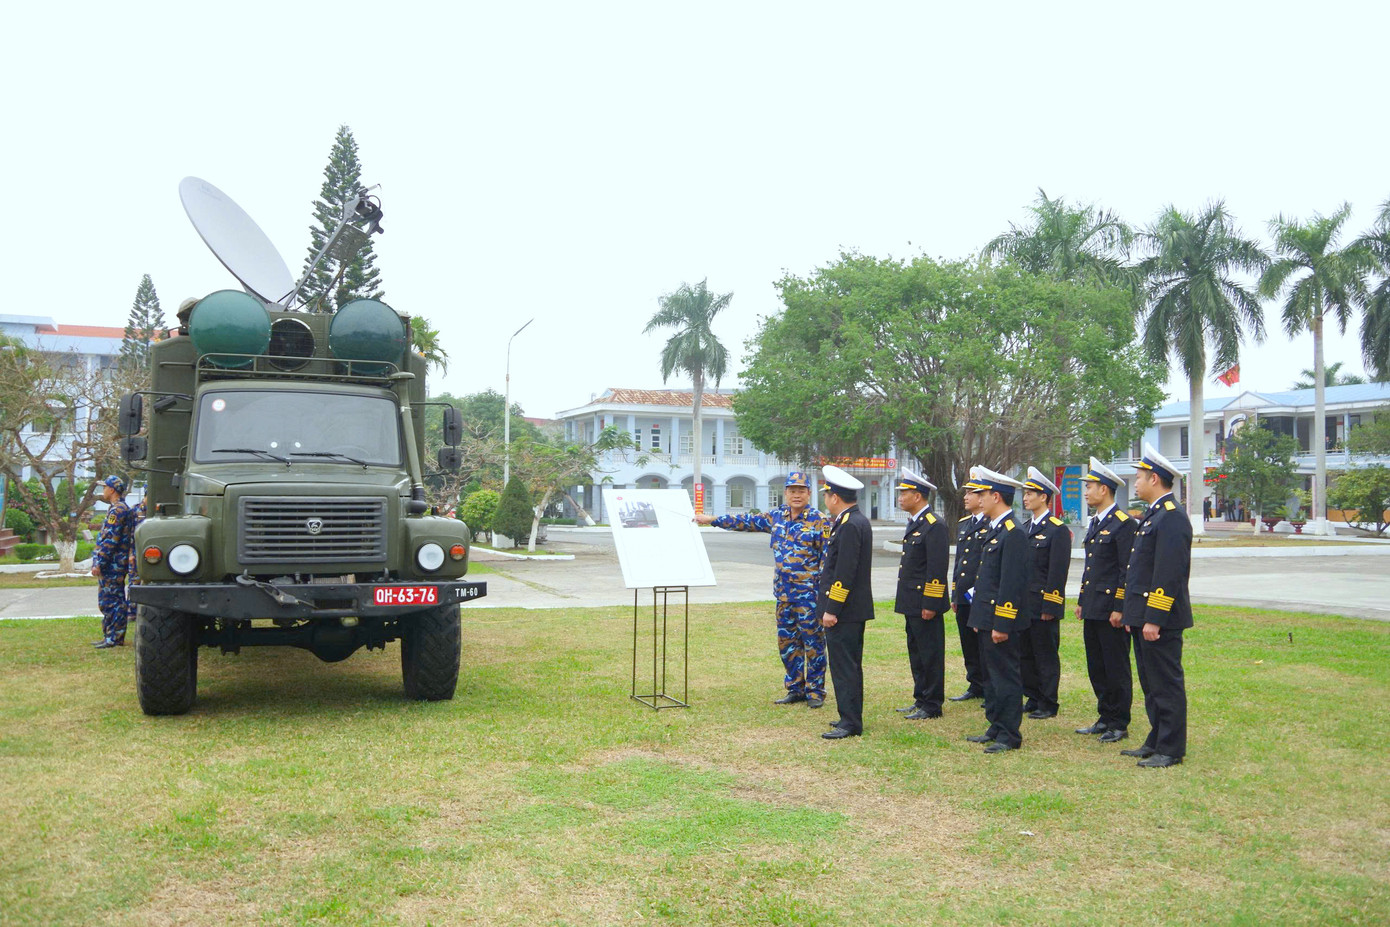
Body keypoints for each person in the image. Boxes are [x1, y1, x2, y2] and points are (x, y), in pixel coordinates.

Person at [696, 471, 829, 707]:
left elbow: (827, 560)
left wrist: (824, 595)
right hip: (784, 594)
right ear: (785, 493)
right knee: (787, 643)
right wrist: (712, 519)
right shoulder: (776, 516)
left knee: (813, 643)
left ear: (809, 493)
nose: (796, 495)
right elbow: (745, 521)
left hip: (809, 595)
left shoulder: (820, 520)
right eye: (792, 490)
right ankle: (795, 687)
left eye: (801, 490)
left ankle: (816, 691)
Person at [1121, 443, 1194, 768]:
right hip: (1143, 616)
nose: (1135, 483)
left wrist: (1154, 618)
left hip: (1160, 619)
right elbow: (1140, 572)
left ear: (1154, 479)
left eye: (1139, 477)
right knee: (1150, 683)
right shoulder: (1154, 516)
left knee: (1165, 683)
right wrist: (1132, 614)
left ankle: (1171, 747)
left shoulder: (1172, 518)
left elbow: (1169, 574)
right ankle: (1156, 737)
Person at [964, 466, 1030, 753]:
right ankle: (995, 723)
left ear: (996, 496)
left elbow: (1011, 584)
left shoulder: (1013, 533)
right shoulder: (994, 529)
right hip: (986, 616)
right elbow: (986, 578)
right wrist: (980, 616)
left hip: (1001, 620)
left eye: (983, 494)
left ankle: (1009, 734)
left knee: (1005, 676)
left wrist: (1002, 623)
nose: (979, 499)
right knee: (991, 676)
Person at [1074, 457, 1136, 744]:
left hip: (1111, 608)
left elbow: (1126, 570)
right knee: (1096, 665)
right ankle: (1104, 716)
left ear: (1105, 490)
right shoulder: (1097, 522)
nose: (1086, 492)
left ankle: (1119, 721)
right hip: (1094, 607)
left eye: (1090, 487)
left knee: (1115, 666)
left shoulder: (1123, 524)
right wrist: (1082, 600)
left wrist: (1120, 607)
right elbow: (1092, 568)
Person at [817, 465, 875, 740]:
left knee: (845, 666)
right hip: (850, 609)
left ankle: (850, 722)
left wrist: (832, 609)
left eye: (827, 495)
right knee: (846, 665)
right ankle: (847, 715)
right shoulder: (851, 521)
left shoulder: (851, 525)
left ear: (835, 497)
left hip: (846, 611)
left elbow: (844, 573)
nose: (825, 500)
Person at [891, 468, 950, 720]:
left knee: (930, 653)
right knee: (916, 651)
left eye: (904, 493)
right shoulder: (916, 523)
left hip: (925, 602)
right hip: (911, 601)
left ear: (918, 496)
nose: (900, 497)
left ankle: (932, 703)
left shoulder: (934, 525)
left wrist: (931, 602)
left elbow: (936, 569)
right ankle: (920, 697)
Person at [1019, 467, 1072, 720]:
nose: (1025, 497)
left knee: (1045, 654)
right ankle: (1032, 696)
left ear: (1044, 497)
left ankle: (1048, 701)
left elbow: (1057, 572)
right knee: (1025, 653)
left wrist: (1051, 606)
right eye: (1025, 493)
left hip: (1043, 604)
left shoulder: (1057, 529)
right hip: (1024, 603)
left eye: (1031, 493)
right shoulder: (1025, 526)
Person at [948, 468, 990, 702]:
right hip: (964, 594)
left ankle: (987, 684)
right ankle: (975, 684)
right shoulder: (964, 524)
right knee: (967, 641)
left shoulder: (990, 524)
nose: (966, 497)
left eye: (971, 493)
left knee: (982, 643)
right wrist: (955, 594)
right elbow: (959, 562)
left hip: (981, 595)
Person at [89, 475, 133, 648]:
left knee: (112, 600)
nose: (103, 491)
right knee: (108, 600)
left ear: (112, 490)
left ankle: (114, 637)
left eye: (105, 487)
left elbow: (110, 539)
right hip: (114, 563)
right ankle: (110, 635)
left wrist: (99, 561)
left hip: (113, 564)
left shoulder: (118, 510)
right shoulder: (116, 508)